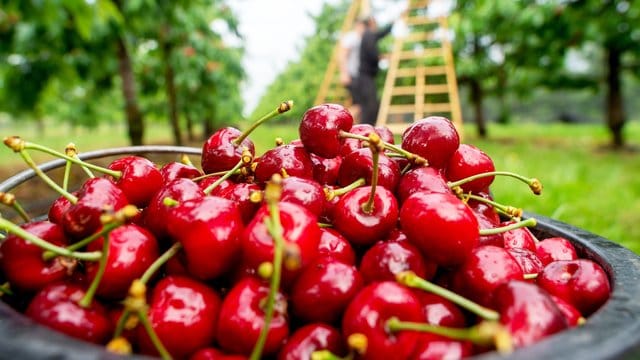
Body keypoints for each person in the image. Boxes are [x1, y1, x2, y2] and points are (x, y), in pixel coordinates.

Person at [357, 16, 394, 126]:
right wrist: (384, 57)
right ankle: (364, 130)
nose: (377, 24)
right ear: (371, 23)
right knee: (370, 107)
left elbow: (381, 34)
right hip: (365, 77)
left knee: (370, 106)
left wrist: (392, 23)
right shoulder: (368, 34)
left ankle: (365, 129)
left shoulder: (369, 35)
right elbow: (372, 54)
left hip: (366, 77)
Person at [338, 18, 367, 122]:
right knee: (360, 104)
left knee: (359, 104)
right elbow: (342, 55)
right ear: (358, 25)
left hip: (358, 76)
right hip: (350, 75)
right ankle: (341, 122)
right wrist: (344, 73)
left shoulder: (361, 39)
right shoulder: (351, 37)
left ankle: (353, 127)